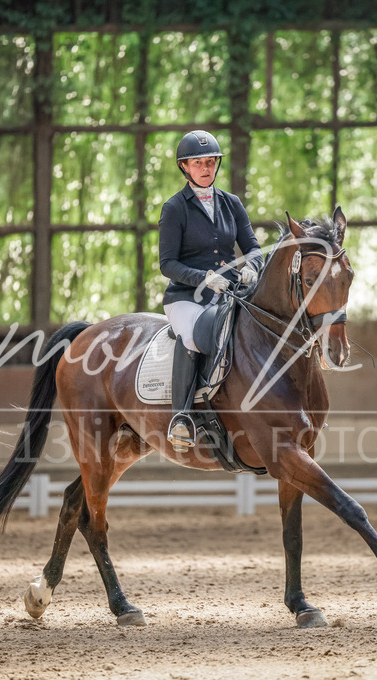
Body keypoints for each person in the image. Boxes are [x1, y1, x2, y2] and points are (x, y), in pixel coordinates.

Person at [158, 130, 264, 451]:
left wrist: (251, 267)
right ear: (185, 168)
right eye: (198, 163)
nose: (206, 168)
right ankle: (181, 417)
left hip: (229, 294)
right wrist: (205, 278)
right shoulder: (174, 208)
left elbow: (254, 248)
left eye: (210, 162)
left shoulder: (231, 203)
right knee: (191, 336)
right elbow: (168, 264)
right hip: (186, 298)